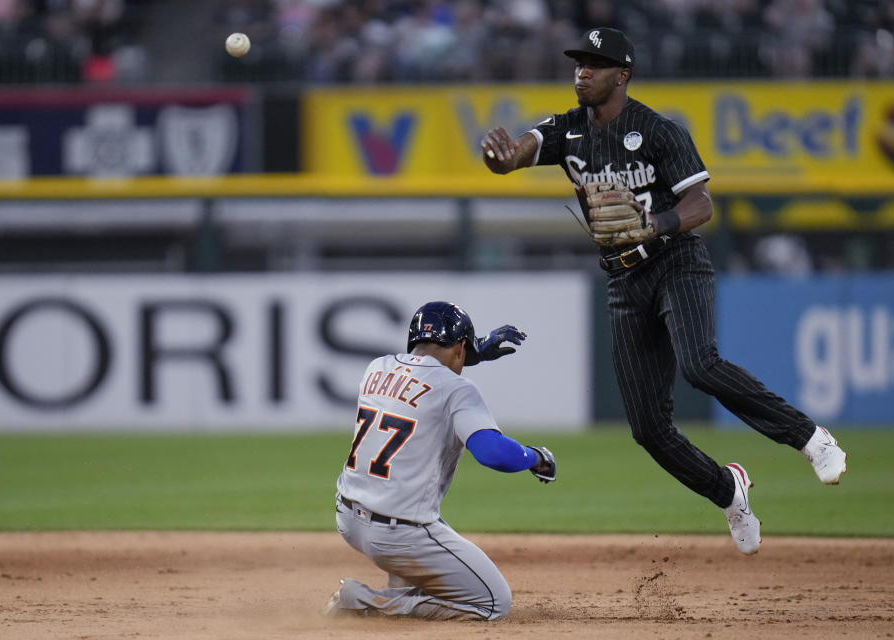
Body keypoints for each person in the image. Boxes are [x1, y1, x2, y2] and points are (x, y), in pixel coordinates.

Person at [480, 27, 847, 555]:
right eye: (578, 62)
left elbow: (701, 207)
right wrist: (498, 156)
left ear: (621, 75)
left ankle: (811, 438)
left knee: (699, 365)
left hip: (676, 261)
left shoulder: (657, 131)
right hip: (623, 281)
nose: (582, 71)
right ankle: (729, 491)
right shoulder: (568, 131)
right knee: (649, 428)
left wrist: (654, 224)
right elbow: (517, 152)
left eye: (595, 63)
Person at [324, 301, 556, 620]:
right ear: (461, 347)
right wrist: (536, 456)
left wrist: (468, 353)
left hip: (348, 519)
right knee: (493, 603)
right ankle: (366, 600)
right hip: (399, 535)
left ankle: (399, 590)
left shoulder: (376, 368)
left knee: (420, 519)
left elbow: (424, 375)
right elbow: (492, 453)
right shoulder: (457, 390)